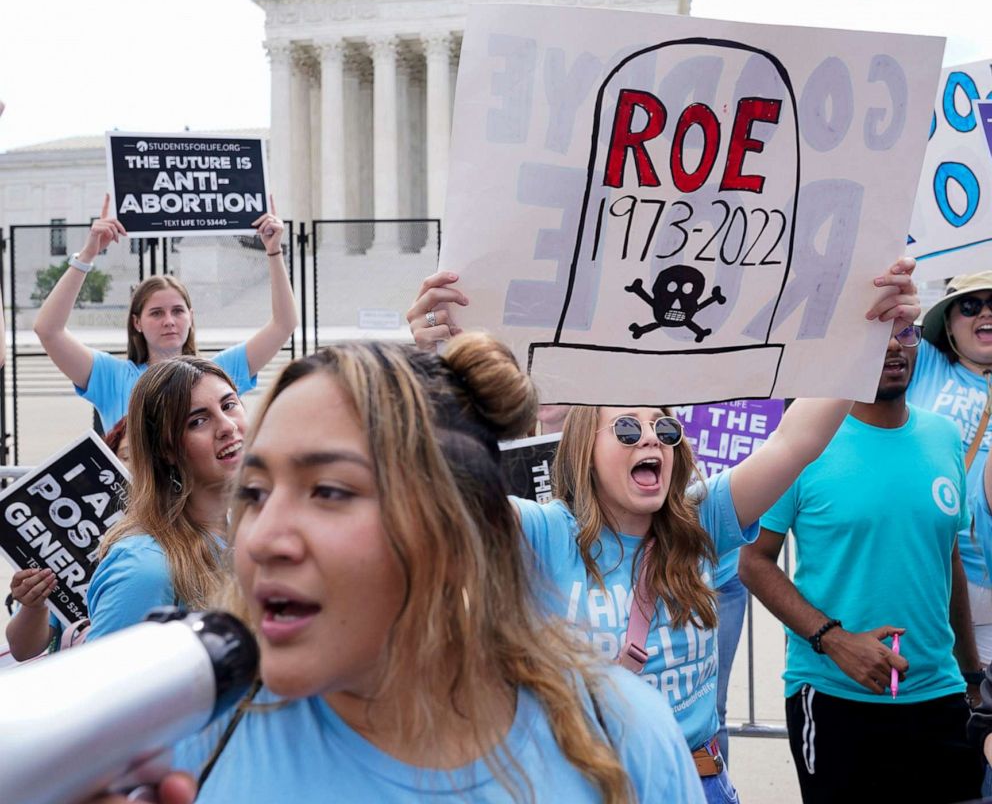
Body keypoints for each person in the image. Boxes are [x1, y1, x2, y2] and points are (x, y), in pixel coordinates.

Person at [99, 338, 706, 803]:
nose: (262, 541)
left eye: (329, 491)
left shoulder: (624, 734)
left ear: (456, 530)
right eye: (254, 493)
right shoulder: (189, 747)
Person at [408, 260, 919, 801]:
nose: (650, 439)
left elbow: (795, 442)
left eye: (664, 427)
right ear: (585, 447)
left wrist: (865, 334)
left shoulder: (703, 520)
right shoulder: (543, 533)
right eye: (627, 428)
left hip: (697, 784)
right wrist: (431, 369)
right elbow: (437, 483)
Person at [739, 323, 984, 803]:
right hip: (834, 698)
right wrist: (834, 640)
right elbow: (753, 560)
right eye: (875, 332)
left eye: (905, 332)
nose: (893, 345)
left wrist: (973, 680)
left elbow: (946, 555)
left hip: (940, 697)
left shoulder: (943, 436)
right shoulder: (802, 444)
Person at [33, 195, 297, 431]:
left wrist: (273, 250)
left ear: (191, 317)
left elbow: (283, 325)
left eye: (178, 311)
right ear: (137, 322)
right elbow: (48, 330)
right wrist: (89, 254)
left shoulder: (218, 372)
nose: (169, 321)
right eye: (157, 313)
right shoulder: (111, 378)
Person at [86, 357, 246, 640]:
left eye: (229, 405)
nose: (227, 426)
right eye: (198, 421)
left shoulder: (253, 530)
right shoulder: (146, 567)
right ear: (165, 450)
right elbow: (107, 680)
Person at [908, 271, 992, 661]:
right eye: (971, 306)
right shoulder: (926, 362)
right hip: (934, 571)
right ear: (949, 327)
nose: (985, 314)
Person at [4, 417, 130, 661]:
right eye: (126, 457)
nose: (135, 470)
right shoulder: (62, 541)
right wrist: (34, 603)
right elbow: (23, 649)